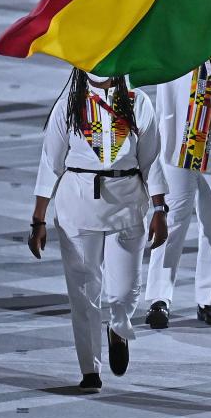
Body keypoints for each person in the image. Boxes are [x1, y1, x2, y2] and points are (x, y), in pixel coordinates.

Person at [28, 70, 168, 392]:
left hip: (127, 202)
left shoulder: (137, 102)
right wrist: (38, 219)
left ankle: (119, 326)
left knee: (125, 290)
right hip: (78, 205)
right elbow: (50, 164)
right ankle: (89, 369)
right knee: (83, 292)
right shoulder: (69, 103)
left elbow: (151, 161)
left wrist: (160, 209)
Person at [144, 43, 211, 330]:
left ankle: (208, 298)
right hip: (179, 139)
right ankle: (159, 298)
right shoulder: (178, 33)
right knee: (172, 220)